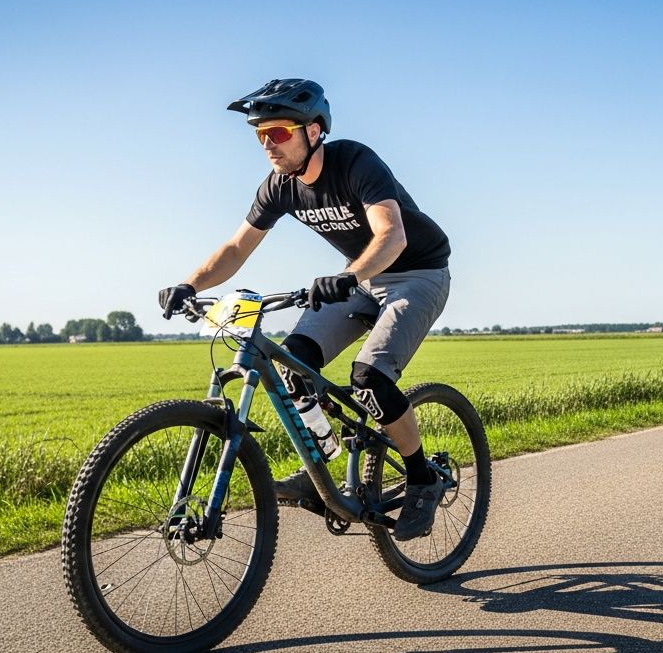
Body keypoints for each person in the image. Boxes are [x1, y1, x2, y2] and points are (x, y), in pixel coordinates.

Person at [157, 79, 453, 541]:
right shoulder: (279, 187)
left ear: (313, 131)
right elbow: (236, 248)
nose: (267, 145)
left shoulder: (354, 162)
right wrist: (189, 284)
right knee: (294, 363)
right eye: (260, 135)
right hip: (360, 278)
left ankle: (422, 479)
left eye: (277, 133)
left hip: (416, 273)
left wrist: (350, 276)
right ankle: (322, 473)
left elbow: (391, 235)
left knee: (370, 378)